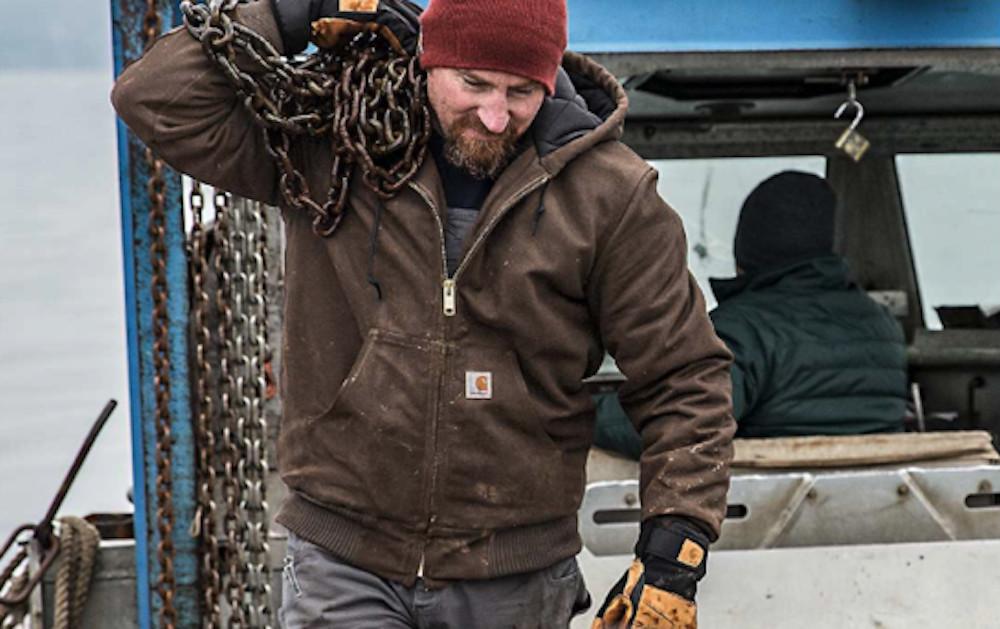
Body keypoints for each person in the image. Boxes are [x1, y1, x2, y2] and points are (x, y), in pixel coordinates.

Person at [112, 0, 735, 626]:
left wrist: (672, 556)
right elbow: (154, 97)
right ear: (428, 61)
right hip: (344, 559)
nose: (495, 116)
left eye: (522, 92)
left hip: (513, 576)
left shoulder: (612, 196)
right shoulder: (337, 144)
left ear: (549, 82)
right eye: (473, 84)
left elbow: (683, 376)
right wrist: (297, 10)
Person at [595, 170, 908, 457]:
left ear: (748, 249)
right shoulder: (883, 325)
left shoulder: (744, 329)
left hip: (768, 508)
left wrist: (575, 414)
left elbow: (675, 424)